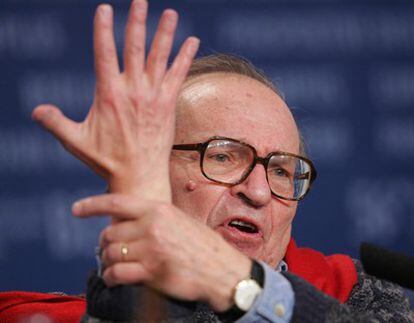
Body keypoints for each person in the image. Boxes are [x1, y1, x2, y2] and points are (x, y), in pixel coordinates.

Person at [1, 0, 413, 322]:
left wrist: (241, 285)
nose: (256, 192)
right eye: (222, 156)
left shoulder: (355, 294)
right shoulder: (38, 318)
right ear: (155, 174)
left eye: (281, 171)